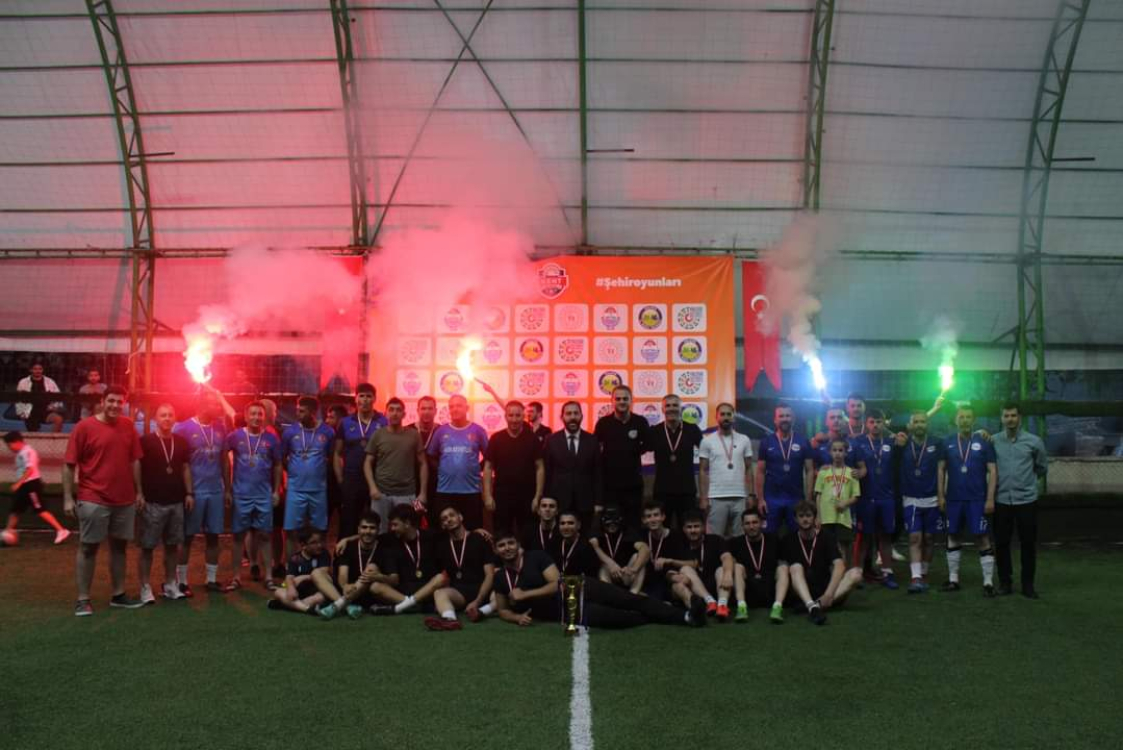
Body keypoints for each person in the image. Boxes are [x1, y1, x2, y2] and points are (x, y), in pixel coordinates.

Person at [491, 530, 706, 629]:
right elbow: (502, 610)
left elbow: (557, 584)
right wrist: (516, 618)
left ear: (518, 545)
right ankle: (665, 614)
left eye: (510, 543)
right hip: (567, 612)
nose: (507, 548)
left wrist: (525, 594)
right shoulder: (500, 577)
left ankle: (686, 616)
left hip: (577, 586)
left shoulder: (536, 557)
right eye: (501, 546)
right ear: (496, 551)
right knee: (620, 618)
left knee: (630, 600)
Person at [62, 386, 145, 615]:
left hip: (124, 499)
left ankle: (118, 595)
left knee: (119, 547)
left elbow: (135, 461)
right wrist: (68, 497)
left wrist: (139, 492)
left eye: (120, 402)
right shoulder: (84, 427)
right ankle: (82, 600)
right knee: (88, 547)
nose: (115, 405)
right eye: (111, 401)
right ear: (102, 401)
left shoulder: (128, 426)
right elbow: (69, 465)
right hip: (93, 497)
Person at [174, 387, 231, 595]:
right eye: (215, 403)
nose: (218, 407)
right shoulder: (183, 428)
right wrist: (184, 491)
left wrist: (227, 489)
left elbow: (224, 460)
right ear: (202, 405)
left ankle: (211, 580)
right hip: (195, 491)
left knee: (214, 535)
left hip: (215, 490)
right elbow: (179, 462)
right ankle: (181, 581)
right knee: (187, 537)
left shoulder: (221, 427)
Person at [936, 405, 997, 596]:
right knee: (953, 535)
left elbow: (993, 471)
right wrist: (941, 495)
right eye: (961, 417)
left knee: (982, 537)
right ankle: (953, 579)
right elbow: (941, 469)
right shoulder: (947, 442)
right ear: (956, 420)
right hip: (954, 499)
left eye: (968, 417)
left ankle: (988, 582)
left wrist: (990, 498)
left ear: (974, 420)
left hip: (978, 499)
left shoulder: (984, 441)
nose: (964, 420)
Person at [224, 401, 283, 592]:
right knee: (238, 536)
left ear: (264, 417)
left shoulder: (272, 439)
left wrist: (276, 491)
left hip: (263, 495)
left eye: (260, 414)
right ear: (246, 415)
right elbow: (224, 460)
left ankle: (268, 576)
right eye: (253, 414)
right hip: (241, 494)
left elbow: (277, 465)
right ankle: (236, 577)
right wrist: (227, 489)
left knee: (265, 535)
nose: (256, 417)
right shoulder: (235, 436)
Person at [991, 402, 1048, 599]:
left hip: (1026, 501)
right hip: (1001, 500)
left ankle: (1028, 585)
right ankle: (1005, 583)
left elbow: (1041, 468)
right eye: (1006, 416)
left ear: (1020, 417)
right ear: (1001, 418)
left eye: (1013, 415)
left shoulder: (1034, 442)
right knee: (1001, 543)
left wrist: (1026, 483)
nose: (1010, 419)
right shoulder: (993, 441)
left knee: (1028, 544)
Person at [135, 405, 190, 604]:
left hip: (176, 501)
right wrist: (139, 492)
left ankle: (170, 584)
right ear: (156, 419)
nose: (167, 418)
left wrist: (189, 493)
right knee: (147, 547)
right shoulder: (145, 441)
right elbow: (137, 465)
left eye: (170, 415)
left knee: (172, 546)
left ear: (175, 418)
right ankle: (145, 587)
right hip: (152, 502)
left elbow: (185, 468)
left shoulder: (181, 442)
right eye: (163, 415)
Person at [780, 501, 862, 626]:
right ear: (795, 519)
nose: (805, 519)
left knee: (856, 573)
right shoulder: (788, 540)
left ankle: (815, 606)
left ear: (814, 517)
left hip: (826, 591)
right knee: (795, 567)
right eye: (801, 516)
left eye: (808, 515)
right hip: (801, 591)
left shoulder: (826, 537)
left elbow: (839, 565)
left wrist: (829, 594)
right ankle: (811, 605)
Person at [851, 409, 901, 589]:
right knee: (863, 537)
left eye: (879, 421)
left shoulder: (892, 442)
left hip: (887, 497)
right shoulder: (858, 443)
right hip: (865, 498)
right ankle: (856, 574)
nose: (875, 425)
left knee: (885, 536)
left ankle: (887, 572)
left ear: (884, 423)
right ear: (866, 423)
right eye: (872, 422)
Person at [426, 505, 497, 631]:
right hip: (460, 592)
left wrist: (477, 601)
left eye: (452, 515)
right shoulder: (442, 545)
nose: (449, 519)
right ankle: (450, 620)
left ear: (460, 517)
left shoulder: (479, 539)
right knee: (439, 593)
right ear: (442, 525)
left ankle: (481, 612)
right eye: (444, 519)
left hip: (484, 589)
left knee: (501, 595)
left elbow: (489, 575)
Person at [368, 505, 446, 616]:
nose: (392, 528)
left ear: (407, 523)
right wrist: (347, 539)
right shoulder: (390, 540)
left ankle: (400, 607)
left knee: (440, 578)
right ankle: (417, 607)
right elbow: (369, 536)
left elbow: (453, 534)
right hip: (403, 590)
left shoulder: (430, 536)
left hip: (427, 588)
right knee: (375, 587)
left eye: (395, 525)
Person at [333, 383, 387, 540]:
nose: (365, 399)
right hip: (351, 480)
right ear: (356, 399)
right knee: (348, 522)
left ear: (374, 399)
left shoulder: (383, 421)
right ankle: (345, 555)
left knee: (375, 522)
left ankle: (376, 554)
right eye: (362, 396)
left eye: (369, 396)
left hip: (376, 480)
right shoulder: (345, 422)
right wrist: (341, 480)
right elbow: (337, 453)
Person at [427, 395, 489, 531]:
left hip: (471, 491)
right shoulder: (441, 431)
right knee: (445, 532)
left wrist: (477, 468)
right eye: (451, 406)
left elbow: (489, 457)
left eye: (459, 406)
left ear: (467, 408)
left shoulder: (478, 430)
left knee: (473, 531)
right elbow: (431, 455)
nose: (455, 409)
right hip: (445, 491)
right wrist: (441, 469)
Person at [483, 400, 544, 537]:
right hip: (502, 496)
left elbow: (540, 468)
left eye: (518, 415)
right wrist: (487, 495)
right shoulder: (496, 438)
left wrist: (537, 496)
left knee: (528, 535)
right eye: (511, 415)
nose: (514, 419)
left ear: (523, 416)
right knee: (501, 535)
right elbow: (487, 468)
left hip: (528, 496)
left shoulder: (532, 439)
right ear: (505, 416)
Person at [898, 411, 943, 594]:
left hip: (932, 498)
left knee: (930, 538)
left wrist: (979, 433)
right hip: (911, 498)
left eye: (922, 422)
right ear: (910, 425)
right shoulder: (902, 442)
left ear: (927, 424)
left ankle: (924, 573)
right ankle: (915, 577)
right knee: (915, 537)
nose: (919, 425)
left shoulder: (937, 443)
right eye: (916, 421)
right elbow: (881, 430)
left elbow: (942, 469)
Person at [364, 397, 426, 525]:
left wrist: (423, 493)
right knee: (380, 531)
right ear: (385, 413)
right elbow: (367, 463)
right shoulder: (378, 434)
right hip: (381, 494)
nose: (395, 413)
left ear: (404, 414)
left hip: (407, 494)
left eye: (398, 410)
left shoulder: (414, 435)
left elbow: (423, 464)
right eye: (391, 410)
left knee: (406, 530)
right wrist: (372, 488)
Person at [698, 402, 755, 538]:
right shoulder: (707, 441)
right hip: (716, 497)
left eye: (729, 414)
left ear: (733, 417)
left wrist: (751, 495)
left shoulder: (744, 439)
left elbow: (749, 469)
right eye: (722, 414)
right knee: (714, 538)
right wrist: (703, 498)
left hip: (739, 496)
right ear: (716, 417)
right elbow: (702, 471)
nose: (726, 417)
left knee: (740, 538)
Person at [594, 385, 649, 524]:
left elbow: (648, 444)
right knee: (611, 523)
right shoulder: (603, 423)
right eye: (618, 399)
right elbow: (595, 449)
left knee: (634, 523)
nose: (622, 402)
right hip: (609, 486)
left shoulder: (640, 422)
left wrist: (632, 451)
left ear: (631, 400)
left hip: (633, 485)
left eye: (625, 398)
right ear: (612, 401)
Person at [323, 511, 393, 621]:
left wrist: (379, 577)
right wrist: (345, 586)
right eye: (364, 527)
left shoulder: (384, 547)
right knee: (316, 573)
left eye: (372, 528)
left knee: (371, 569)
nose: (368, 531)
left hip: (369, 594)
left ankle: (338, 605)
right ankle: (348, 606)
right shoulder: (348, 546)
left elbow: (394, 579)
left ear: (378, 530)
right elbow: (343, 573)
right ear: (358, 529)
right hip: (348, 590)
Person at [648, 394, 704, 530]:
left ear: (681, 408)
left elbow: (707, 453)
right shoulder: (655, 431)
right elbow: (638, 449)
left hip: (687, 491)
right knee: (662, 530)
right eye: (668, 405)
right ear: (663, 409)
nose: (671, 408)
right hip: (662, 491)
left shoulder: (692, 429)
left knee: (688, 530)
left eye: (675, 405)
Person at [543, 402, 601, 529]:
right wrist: (546, 499)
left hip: (586, 501)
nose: (572, 417)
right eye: (568, 414)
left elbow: (598, 473)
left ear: (581, 416)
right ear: (562, 417)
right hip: (559, 501)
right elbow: (547, 472)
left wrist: (598, 502)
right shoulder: (551, 440)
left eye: (576, 413)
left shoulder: (592, 440)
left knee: (585, 535)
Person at [3, 431, 69, 544]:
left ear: (17, 442)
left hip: (31, 485)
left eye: (10, 445)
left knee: (40, 509)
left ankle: (61, 530)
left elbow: (30, 469)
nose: (10, 448)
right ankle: (8, 531)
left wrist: (18, 483)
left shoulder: (28, 452)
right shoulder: (21, 453)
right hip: (24, 485)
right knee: (15, 509)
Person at [756, 403, 814, 533]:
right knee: (769, 535)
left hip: (796, 498)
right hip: (771, 499)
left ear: (793, 418)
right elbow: (760, 472)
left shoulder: (803, 441)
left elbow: (810, 470)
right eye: (781, 416)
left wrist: (809, 499)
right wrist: (760, 499)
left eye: (788, 416)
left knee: (796, 535)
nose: (785, 419)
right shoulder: (766, 442)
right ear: (775, 420)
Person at [674, 509, 735, 620]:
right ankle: (710, 602)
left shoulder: (716, 540)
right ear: (684, 529)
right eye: (689, 527)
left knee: (722, 569)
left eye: (696, 526)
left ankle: (722, 605)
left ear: (703, 527)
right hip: (695, 590)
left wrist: (728, 574)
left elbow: (727, 557)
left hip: (717, 586)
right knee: (685, 569)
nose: (693, 530)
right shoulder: (679, 545)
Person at [728, 508, 787, 623]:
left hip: (770, 590)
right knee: (737, 567)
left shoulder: (774, 540)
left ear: (761, 523)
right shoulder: (735, 543)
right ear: (742, 526)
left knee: (783, 567)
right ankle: (741, 607)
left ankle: (777, 607)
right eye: (747, 523)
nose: (751, 527)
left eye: (755, 522)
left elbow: (784, 562)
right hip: (748, 591)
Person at [813, 438, 860, 564]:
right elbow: (818, 495)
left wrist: (845, 503)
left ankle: (843, 573)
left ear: (846, 453)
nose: (837, 453)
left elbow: (856, 496)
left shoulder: (851, 473)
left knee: (843, 548)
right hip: (826, 517)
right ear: (829, 452)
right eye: (834, 450)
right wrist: (818, 516)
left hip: (843, 518)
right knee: (826, 547)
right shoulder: (823, 472)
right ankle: (829, 573)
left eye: (840, 450)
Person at [269, 528, 333, 614]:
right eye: (314, 543)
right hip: (300, 592)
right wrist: (291, 588)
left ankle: (286, 605)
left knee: (320, 597)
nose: (319, 545)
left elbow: (323, 573)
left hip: (316, 590)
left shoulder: (324, 554)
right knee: (278, 592)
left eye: (320, 542)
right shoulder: (295, 558)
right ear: (303, 545)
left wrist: (303, 577)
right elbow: (289, 577)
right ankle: (306, 608)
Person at [589, 506, 648, 594]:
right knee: (603, 566)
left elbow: (644, 548)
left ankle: (633, 595)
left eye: (615, 523)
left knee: (638, 558)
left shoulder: (627, 531)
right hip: (607, 574)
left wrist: (634, 569)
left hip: (625, 574)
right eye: (609, 523)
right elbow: (594, 545)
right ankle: (609, 595)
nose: (612, 526)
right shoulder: (597, 532)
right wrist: (611, 563)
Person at [411, 395, 440, 521]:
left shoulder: (442, 431)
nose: (426, 412)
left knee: (435, 521)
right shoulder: (408, 431)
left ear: (435, 411)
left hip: (437, 487)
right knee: (415, 520)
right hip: (413, 487)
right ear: (417, 410)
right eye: (423, 408)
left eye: (430, 408)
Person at [15, 361, 65, 433]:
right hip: (30, 412)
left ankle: (52, 439)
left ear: (43, 370)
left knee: (58, 419)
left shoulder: (50, 381)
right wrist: (22, 413)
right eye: (35, 369)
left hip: (45, 410)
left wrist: (54, 407)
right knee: (33, 431)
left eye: (40, 369)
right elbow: (18, 399)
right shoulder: (23, 382)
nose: (38, 371)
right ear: (31, 370)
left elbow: (58, 396)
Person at [552, 510, 600, 577]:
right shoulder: (554, 545)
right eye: (562, 523)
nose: (566, 527)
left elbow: (591, 576)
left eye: (570, 523)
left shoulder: (587, 548)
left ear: (579, 525)